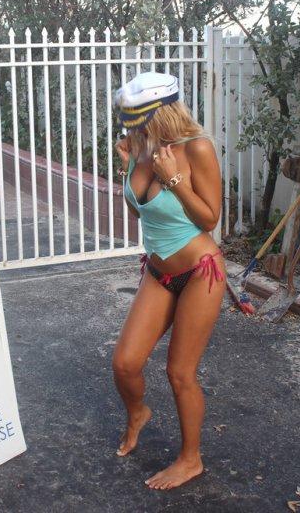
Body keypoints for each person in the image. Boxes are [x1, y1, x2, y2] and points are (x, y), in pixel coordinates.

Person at [111, 72, 226, 490]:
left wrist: (174, 178)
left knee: (180, 373)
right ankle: (138, 412)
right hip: (159, 272)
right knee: (125, 363)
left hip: (200, 271)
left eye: (138, 122)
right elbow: (141, 212)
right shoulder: (141, 147)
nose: (132, 130)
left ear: (161, 114)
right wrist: (129, 169)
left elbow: (210, 219)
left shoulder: (196, 148)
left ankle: (191, 459)